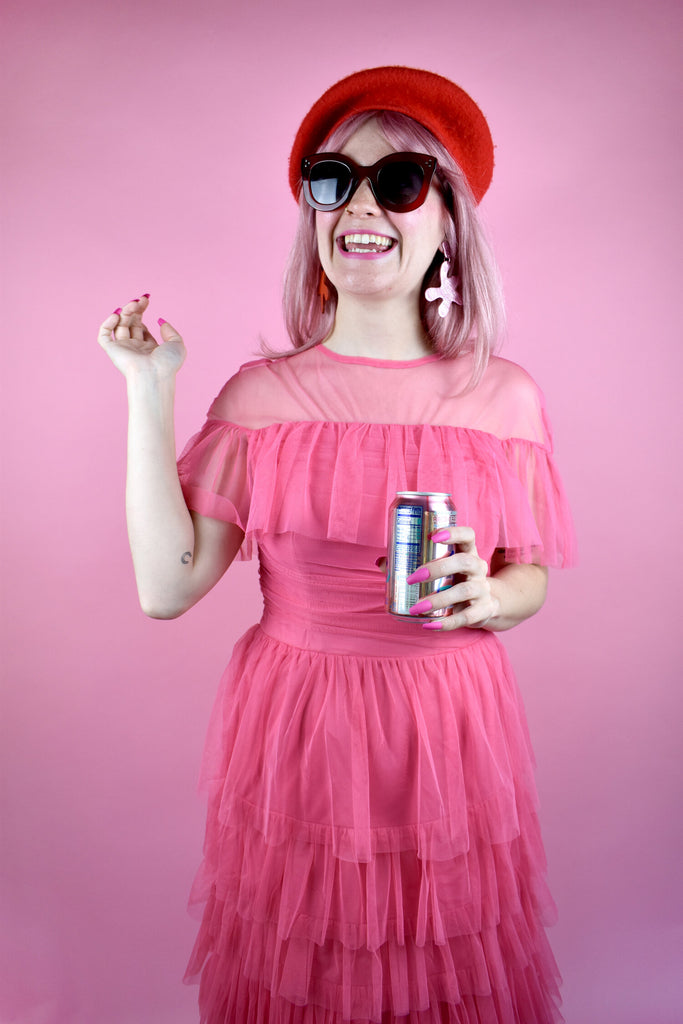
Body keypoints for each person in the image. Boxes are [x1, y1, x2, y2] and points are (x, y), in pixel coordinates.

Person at [98, 66, 575, 1024]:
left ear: (447, 220)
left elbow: (525, 577)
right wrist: (149, 390)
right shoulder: (261, 397)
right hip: (303, 719)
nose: (360, 204)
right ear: (314, 214)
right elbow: (166, 585)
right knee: (310, 969)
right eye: (332, 179)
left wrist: (492, 600)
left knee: (445, 962)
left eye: (399, 181)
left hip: (450, 722)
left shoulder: (503, 396)